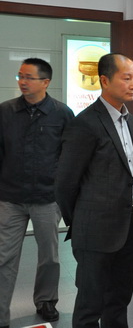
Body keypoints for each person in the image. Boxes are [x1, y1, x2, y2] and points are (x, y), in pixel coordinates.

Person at [55, 53, 133, 328]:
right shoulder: (85, 123)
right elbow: (65, 183)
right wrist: (82, 220)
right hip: (94, 229)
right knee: (90, 303)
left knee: (120, 298)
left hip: (130, 224)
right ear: (104, 80)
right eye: (126, 78)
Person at [0, 58, 74, 328]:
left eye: (29, 77)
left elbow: (69, 157)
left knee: (49, 256)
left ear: (45, 82)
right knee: (3, 257)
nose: (22, 82)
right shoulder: (5, 111)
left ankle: (46, 301)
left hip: (47, 198)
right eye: (20, 76)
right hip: (10, 197)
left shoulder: (62, 114)